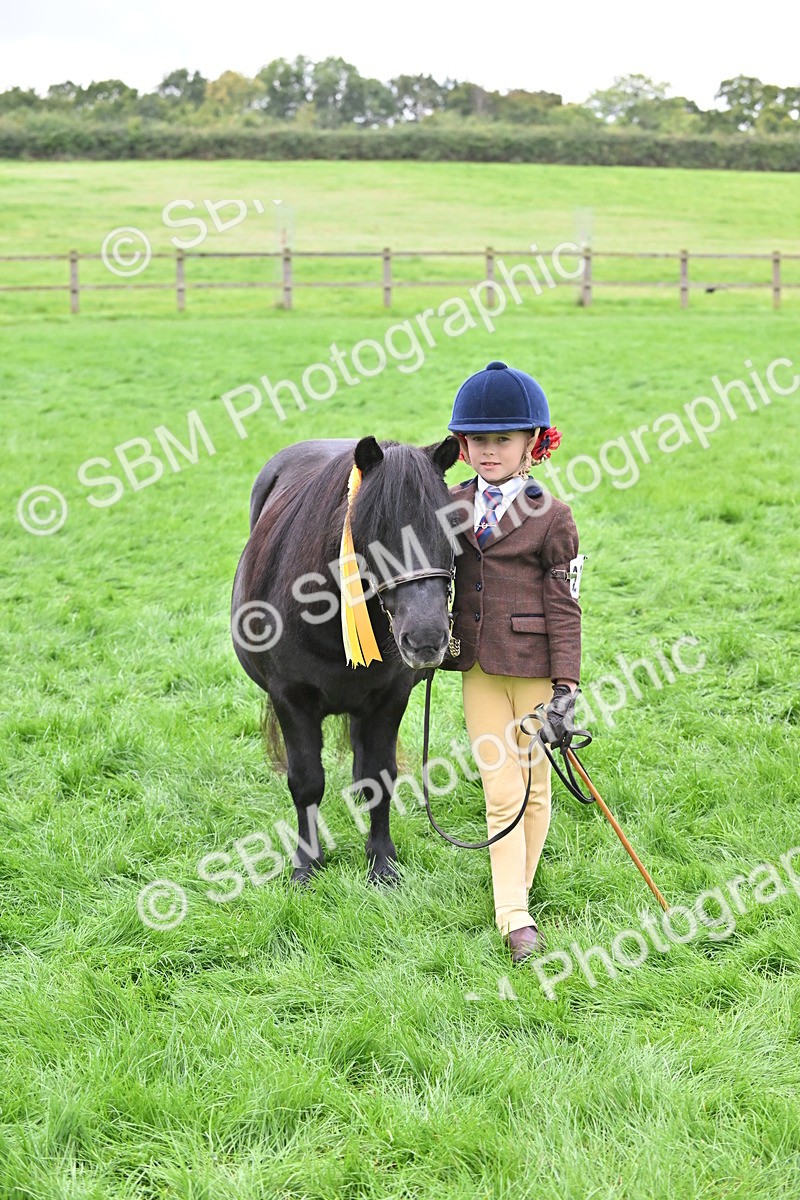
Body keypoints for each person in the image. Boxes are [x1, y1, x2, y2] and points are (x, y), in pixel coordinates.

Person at [438, 360, 583, 964]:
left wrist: (566, 687)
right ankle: (515, 917)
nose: (488, 451)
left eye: (502, 438)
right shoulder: (449, 505)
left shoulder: (553, 515)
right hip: (477, 668)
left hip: (534, 668)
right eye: (477, 440)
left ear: (532, 444)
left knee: (535, 787)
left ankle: (513, 894)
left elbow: (566, 605)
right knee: (502, 789)